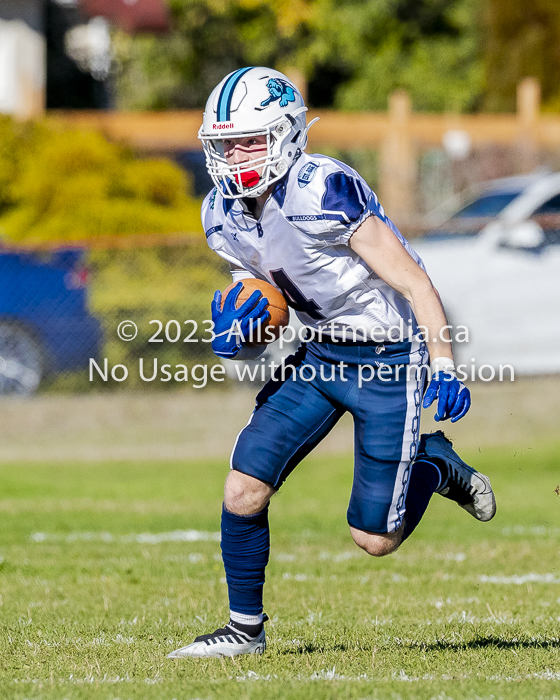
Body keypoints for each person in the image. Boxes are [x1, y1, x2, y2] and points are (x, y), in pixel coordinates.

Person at [167, 67, 496, 660]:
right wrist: (241, 332)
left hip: (387, 356)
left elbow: (417, 282)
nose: (234, 156)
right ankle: (246, 631)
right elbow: (268, 298)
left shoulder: (323, 189)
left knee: (374, 538)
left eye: (249, 139)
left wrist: (444, 365)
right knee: (243, 488)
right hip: (318, 353)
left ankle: (437, 464)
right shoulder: (221, 213)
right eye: (225, 143)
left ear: (287, 134)